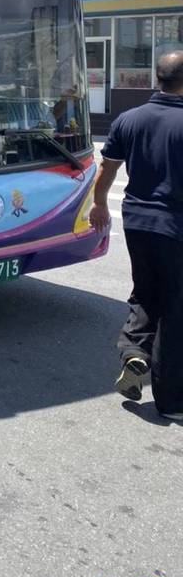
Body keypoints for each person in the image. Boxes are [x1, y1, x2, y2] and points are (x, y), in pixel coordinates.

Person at [89, 50, 183, 419]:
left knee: (145, 290)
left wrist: (98, 205)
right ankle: (172, 401)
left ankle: (134, 353)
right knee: (175, 308)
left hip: (138, 222)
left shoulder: (128, 119)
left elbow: (106, 172)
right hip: (175, 226)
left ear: (156, 78)